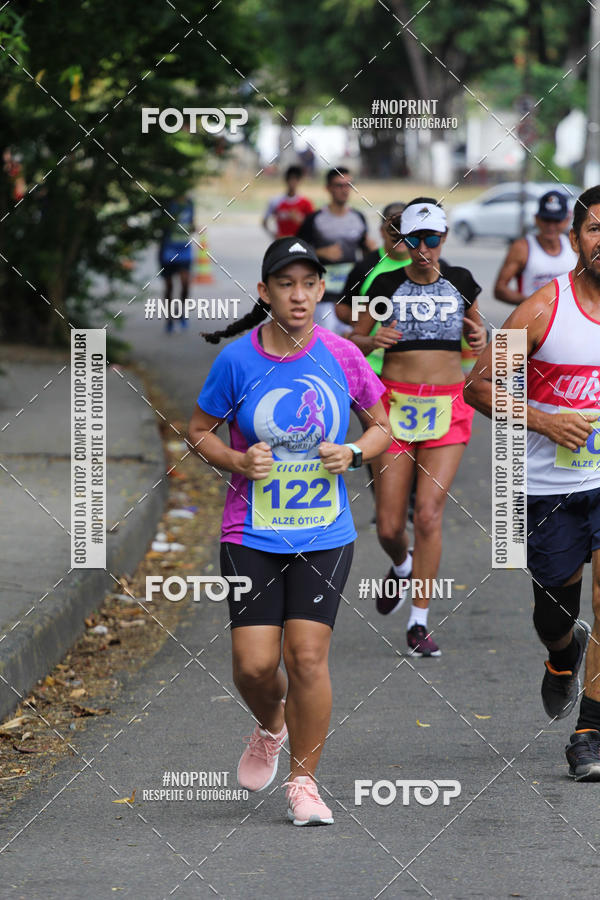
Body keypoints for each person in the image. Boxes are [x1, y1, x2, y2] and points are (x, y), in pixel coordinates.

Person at [188, 236, 390, 824]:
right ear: (265, 292)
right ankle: (271, 724)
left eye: (308, 284)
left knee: (306, 657)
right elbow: (199, 430)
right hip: (250, 531)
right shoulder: (237, 360)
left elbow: (384, 425)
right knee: (253, 666)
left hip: (324, 532)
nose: (298, 296)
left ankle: (305, 783)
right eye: (285, 284)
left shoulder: (342, 355)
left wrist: (353, 452)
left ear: (321, 289)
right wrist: (235, 460)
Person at [465, 185, 600, 781]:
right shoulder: (544, 309)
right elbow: (478, 387)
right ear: (575, 241)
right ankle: (561, 654)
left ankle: (590, 730)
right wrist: (543, 418)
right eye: (596, 228)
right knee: (554, 612)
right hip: (549, 490)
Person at [351, 198, 486, 656]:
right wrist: (373, 338)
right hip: (394, 406)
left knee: (427, 513)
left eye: (433, 239)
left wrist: (479, 339)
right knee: (390, 526)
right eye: (415, 240)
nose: (425, 248)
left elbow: (477, 338)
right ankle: (403, 564)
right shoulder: (386, 284)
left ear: (444, 238)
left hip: (448, 407)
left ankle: (419, 621)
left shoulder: (463, 282)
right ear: (401, 241)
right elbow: (354, 339)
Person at [297, 167, 376, 335]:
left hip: (350, 295)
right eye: (339, 185)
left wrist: (372, 251)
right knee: (324, 344)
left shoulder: (358, 218)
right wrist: (320, 253)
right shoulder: (315, 219)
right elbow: (296, 251)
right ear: (328, 188)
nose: (344, 190)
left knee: (351, 344)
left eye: (348, 185)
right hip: (324, 296)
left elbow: (365, 256)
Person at [494, 190, 577, 306]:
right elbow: (500, 289)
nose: (551, 226)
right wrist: (535, 304)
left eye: (556, 221)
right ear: (536, 219)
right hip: (533, 321)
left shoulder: (574, 246)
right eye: (546, 220)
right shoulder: (522, 248)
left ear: (566, 220)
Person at [159, 194, 196, 333]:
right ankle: (169, 318)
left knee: (185, 283)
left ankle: (181, 313)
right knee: (169, 287)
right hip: (168, 249)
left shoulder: (190, 202)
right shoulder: (168, 203)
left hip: (185, 249)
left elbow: (191, 222)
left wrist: (193, 227)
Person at [262, 165, 313, 239]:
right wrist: (273, 234)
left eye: (296, 179)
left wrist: (300, 220)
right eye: (291, 179)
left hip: (300, 242)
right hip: (282, 242)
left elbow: (312, 226)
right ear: (286, 180)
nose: (293, 182)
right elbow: (264, 222)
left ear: (300, 181)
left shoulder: (306, 203)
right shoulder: (275, 201)